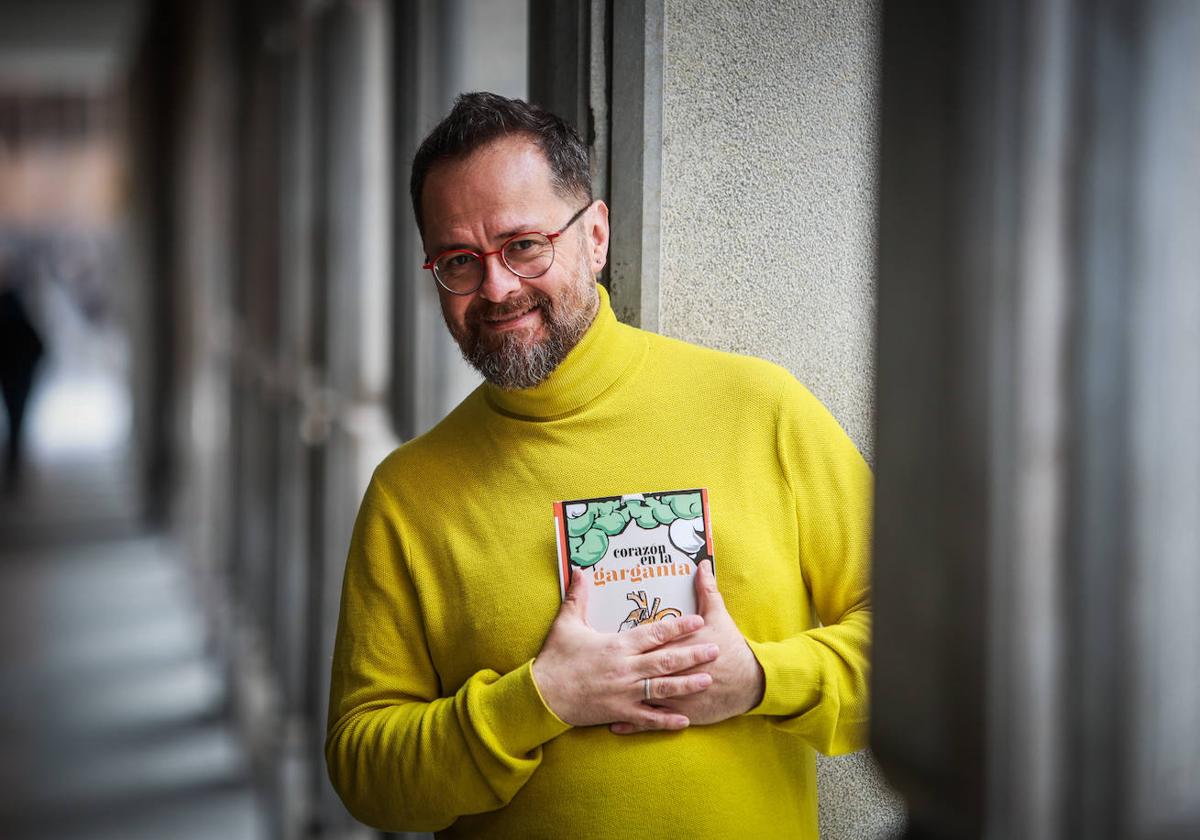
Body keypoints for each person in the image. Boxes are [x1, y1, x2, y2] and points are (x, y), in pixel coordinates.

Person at [325, 92, 872, 839]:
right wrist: (535, 700)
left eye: (524, 245)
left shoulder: (762, 411)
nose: (496, 287)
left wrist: (763, 681)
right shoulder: (409, 492)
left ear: (597, 236)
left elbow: (924, 660)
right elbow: (365, 772)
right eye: (459, 260)